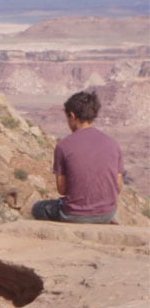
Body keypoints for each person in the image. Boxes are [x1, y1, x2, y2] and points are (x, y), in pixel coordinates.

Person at [31, 91, 124, 224]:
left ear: (72, 116)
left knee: (38, 208)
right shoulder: (113, 144)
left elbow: (62, 189)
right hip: (107, 214)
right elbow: (118, 185)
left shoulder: (63, 146)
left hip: (74, 215)